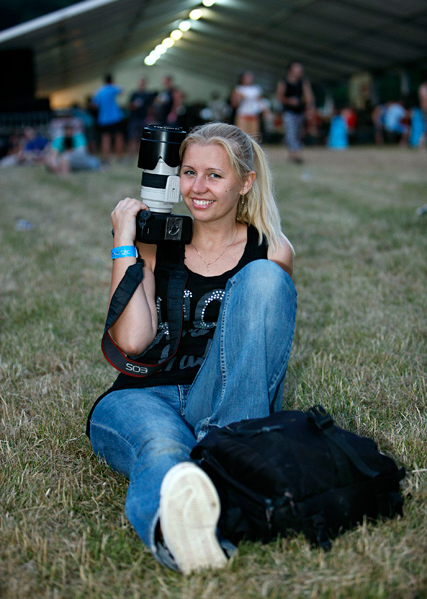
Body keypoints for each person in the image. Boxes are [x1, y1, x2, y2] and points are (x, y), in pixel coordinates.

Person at [86, 122, 297, 575]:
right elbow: (133, 341)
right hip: (144, 394)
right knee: (164, 446)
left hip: (222, 398)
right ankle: (174, 535)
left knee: (264, 279)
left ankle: (226, 454)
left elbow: (259, 356)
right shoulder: (154, 242)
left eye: (214, 176)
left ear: (246, 182)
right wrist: (125, 243)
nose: (197, 188)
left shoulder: (272, 251)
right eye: (188, 172)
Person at [276, 61, 315, 163]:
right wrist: (289, 101)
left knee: (298, 133)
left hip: (300, 112)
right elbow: (279, 97)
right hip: (288, 112)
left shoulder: (303, 82)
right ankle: (295, 154)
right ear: (291, 70)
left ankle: (293, 153)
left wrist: (308, 106)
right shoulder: (283, 82)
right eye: (297, 68)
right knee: (291, 132)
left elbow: (309, 96)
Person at [91, 74, 125, 162]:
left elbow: (94, 104)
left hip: (103, 119)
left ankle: (106, 157)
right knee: (118, 137)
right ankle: (119, 156)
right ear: (111, 80)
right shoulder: (112, 89)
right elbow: (121, 90)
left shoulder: (100, 91)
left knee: (105, 138)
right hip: (115, 117)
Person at [127, 77, 156, 157]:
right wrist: (134, 105)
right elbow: (129, 106)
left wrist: (150, 116)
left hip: (144, 119)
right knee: (133, 137)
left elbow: (151, 107)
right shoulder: (134, 94)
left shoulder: (148, 95)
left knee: (144, 137)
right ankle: (132, 154)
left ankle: (142, 154)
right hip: (134, 118)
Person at [231, 71, 263, 140]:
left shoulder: (256, 89)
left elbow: (260, 102)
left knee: (254, 135)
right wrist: (238, 98)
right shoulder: (238, 89)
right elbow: (234, 104)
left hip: (253, 114)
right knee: (242, 135)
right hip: (243, 114)